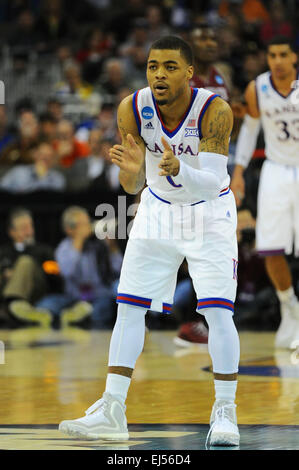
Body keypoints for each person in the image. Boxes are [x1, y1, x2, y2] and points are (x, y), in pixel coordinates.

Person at [59, 36, 240, 447]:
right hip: (157, 209)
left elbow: (212, 182)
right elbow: (132, 183)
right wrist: (135, 170)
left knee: (217, 313)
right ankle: (112, 409)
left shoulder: (215, 110)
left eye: (170, 67)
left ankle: (225, 410)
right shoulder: (132, 107)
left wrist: (180, 169)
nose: (159, 73)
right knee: (128, 306)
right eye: (153, 65)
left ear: (190, 72)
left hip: (208, 213)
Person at [231, 35, 299, 349]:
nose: (277, 61)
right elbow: (250, 129)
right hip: (274, 169)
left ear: (294, 57)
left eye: (283, 54)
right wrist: (240, 171)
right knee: (270, 247)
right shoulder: (257, 89)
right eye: (272, 54)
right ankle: (289, 306)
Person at [173, 24, 231, 349]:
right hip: (185, 175)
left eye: (213, 37)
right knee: (189, 250)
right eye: (202, 38)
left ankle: (205, 321)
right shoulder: (183, 80)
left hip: (215, 174)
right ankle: (193, 319)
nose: (209, 42)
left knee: (214, 248)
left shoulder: (220, 78)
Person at [36, 206, 122, 328]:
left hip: (99, 296)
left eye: (88, 223)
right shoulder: (64, 248)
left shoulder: (99, 245)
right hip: (73, 298)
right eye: (82, 224)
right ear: (69, 229)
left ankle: (82, 316)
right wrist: (78, 241)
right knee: (45, 305)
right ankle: (78, 314)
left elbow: (118, 270)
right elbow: (67, 271)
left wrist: (113, 248)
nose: (87, 227)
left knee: (99, 310)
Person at [0, 208, 63, 327]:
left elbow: (55, 275)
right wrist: (5, 274)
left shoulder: (44, 251)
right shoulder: (3, 252)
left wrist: (26, 271)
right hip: (4, 289)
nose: (29, 232)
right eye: (24, 228)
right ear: (12, 232)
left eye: (30, 227)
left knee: (25, 262)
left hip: (37, 291)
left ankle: (13, 305)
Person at [0, 140, 65, 193]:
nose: (45, 158)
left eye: (49, 156)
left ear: (53, 160)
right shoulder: (18, 172)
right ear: (35, 155)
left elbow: (56, 200)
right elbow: (2, 188)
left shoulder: (57, 178)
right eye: (42, 155)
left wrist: (42, 177)